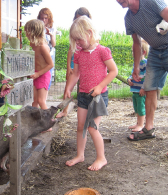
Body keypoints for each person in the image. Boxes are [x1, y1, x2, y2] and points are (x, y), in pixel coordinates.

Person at [64, 16, 118, 171]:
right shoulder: (79, 53)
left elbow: (114, 71)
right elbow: (76, 74)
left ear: (89, 33)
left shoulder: (102, 51)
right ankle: (80, 155)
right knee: (80, 126)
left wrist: (100, 86)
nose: (78, 43)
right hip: (83, 95)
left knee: (92, 127)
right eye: (75, 40)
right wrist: (68, 87)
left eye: (79, 39)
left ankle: (101, 158)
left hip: (98, 97)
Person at [116, 0, 168, 141]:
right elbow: (136, 42)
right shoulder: (129, 18)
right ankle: (148, 129)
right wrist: (136, 67)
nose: (118, 1)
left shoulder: (151, 2)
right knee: (150, 89)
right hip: (155, 52)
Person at [56, 7, 92, 118]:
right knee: (68, 87)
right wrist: (68, 67)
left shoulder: (90, 32)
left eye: (81, 18)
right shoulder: (74, 31)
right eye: (77, 18)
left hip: (85, 63)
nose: (79, 21)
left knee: (86, 87)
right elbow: (70, 50)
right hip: (74, 63)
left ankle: (86, 108)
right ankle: (64, 110)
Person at [24, 19, 54, 130]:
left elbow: (50, 64)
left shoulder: (42, 46)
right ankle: (35, 123)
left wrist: (38, 74)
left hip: (43, 75)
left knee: (41, 101)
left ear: (34, 32)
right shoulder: (32, 44)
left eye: (27, 31)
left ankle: (48, 123)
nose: (26, 33)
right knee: (34, 101)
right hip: (35, 75)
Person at [127, 39, 149, 132]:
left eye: (135, 51)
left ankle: (140, 125)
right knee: (136, 108)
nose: (133, 53)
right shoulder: (136, 63)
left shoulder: (145, 64)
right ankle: (137, 123)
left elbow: (148, 76)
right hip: (135, 90)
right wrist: (129, 79)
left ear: (143, 52)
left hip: (140, 90)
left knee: (141, 108)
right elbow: (133, 74)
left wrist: (144, 88)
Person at [37, 8, 56, 90]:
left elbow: (54, 44)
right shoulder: (38, 27)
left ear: (49, 18)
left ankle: (45, 93)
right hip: (40, 55)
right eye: (42, 18)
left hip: (50, 54)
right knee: (40, 74)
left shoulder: (52, 28)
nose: (44, 20)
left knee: (48, 74)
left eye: (46, 18)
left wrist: (51, 35)